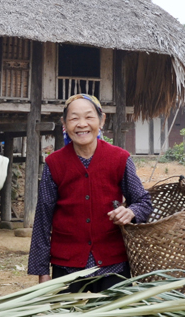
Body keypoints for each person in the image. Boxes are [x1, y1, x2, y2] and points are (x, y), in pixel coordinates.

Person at [27, 94, 152, 292]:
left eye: (89, 117)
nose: (82, 124)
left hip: (113, 264)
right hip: (66, 264)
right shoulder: (54, 164)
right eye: (74, 118)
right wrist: (42, 273)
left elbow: (143, 202)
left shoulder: (120, 158)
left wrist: (131, 212)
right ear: (64, 123)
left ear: (101, 120)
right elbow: (43, 220)